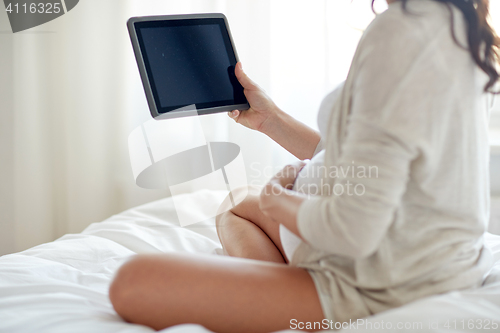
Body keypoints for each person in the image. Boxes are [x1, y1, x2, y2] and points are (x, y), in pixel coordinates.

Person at [109, 0, 500, 332]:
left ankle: (285, 301)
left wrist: (275, 200)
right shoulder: (460, 26)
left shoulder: (401, 32)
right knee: (233, 203)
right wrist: (270, 119)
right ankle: (278, 293)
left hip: (384, 281)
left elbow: (353, 232)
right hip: (430, 258)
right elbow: (371, 159)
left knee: (131, 283)